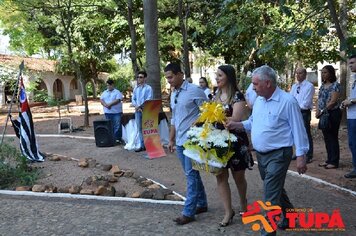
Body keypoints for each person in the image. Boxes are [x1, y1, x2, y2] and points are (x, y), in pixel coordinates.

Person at [226, 65, 309, 235]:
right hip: (262, 156)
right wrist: (238, 124)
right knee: (275, 187)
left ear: (268, 83)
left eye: (255, 84)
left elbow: (298, 129)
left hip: (279, 154)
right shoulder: (259, 101)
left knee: (270, 197)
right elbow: (254, 122)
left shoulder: (287, 101)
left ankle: (267, 232)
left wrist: (301, 155)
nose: (253, 87)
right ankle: (290, 217)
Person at [165, 63, 208, 225]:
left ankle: (188, 212)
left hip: (193, 141)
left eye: (170, 77)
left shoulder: (194, 90)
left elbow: (207, 112)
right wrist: (171, 139)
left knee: (191, 175)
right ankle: (202, 204)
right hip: (180, 140)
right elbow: (175, 118)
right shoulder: (173, 93)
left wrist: (196, 125)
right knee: (192, 174)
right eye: (167, 77)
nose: (168, 80)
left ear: (180, 74)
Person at [214, 65, 252, 227]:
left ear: (228, 77)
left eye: (220, 75)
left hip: (236, 143)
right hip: (218, 142)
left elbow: (235, 119)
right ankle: (228, 211)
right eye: (216, 75)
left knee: (238, 177)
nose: (216, 78)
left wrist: (214, 117)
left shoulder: (237, 96)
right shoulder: (215, 96)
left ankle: (244, 205)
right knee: (220, 176)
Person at [316, 65, 342, 169]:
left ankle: (334, 161)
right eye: (322, 72)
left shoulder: (336, 85)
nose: (323, 74)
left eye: (325, 72)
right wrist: (318, 111)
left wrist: (322, 111)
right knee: (326, 137)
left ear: (331, 73)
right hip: (324, 114)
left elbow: (333, 101)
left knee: (333, 137)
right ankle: (329, 159)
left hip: (333, 113)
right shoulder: (322, 86)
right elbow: (319, 99)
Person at [290, 68, 315, 163]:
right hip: (294, 112)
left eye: (300, 73)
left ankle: (308, 154)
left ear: (305, 74)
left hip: (303, 112)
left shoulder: (309, 86)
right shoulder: (294, 86)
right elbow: (291, 98)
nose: (298, 75)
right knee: (295, 132)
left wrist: (295, 108)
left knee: (305, 133)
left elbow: (306, 102)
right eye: (297, 73)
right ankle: (298, 152)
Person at [341, 55, 356, 178]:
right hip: (351, 116)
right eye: (349, 63)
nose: (350, 65)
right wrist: (346, 101)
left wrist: (350, 101)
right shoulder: (353, 78)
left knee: (354, 143)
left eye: (352, 63)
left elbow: (353, 99)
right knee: (352, 143)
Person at [132, 71, 153, 152]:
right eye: (138, 77)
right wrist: (136, 106)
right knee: (140, 128)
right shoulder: (135, 88)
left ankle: (149, 146)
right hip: (137, 111)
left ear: (145, 78)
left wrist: (140, 106)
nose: (138, 79)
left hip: (146, 111)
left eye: (140, 77)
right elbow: (133, 99)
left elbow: (149, 99)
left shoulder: (148, 88)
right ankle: (142, 145)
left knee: (147, 128)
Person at [100, 79, 124, 144]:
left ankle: (117, 139)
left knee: (117, 126)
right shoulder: (104, 92)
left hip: (116, 112)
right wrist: (105, 105)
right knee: (109, 126)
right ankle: (111, 138)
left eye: (110, 85)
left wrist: (109, 104)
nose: (108, 87)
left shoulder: (117, 92)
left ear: (113, 85)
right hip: (107, 112)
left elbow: (118, 100)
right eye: (107, 85)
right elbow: (101, 100)